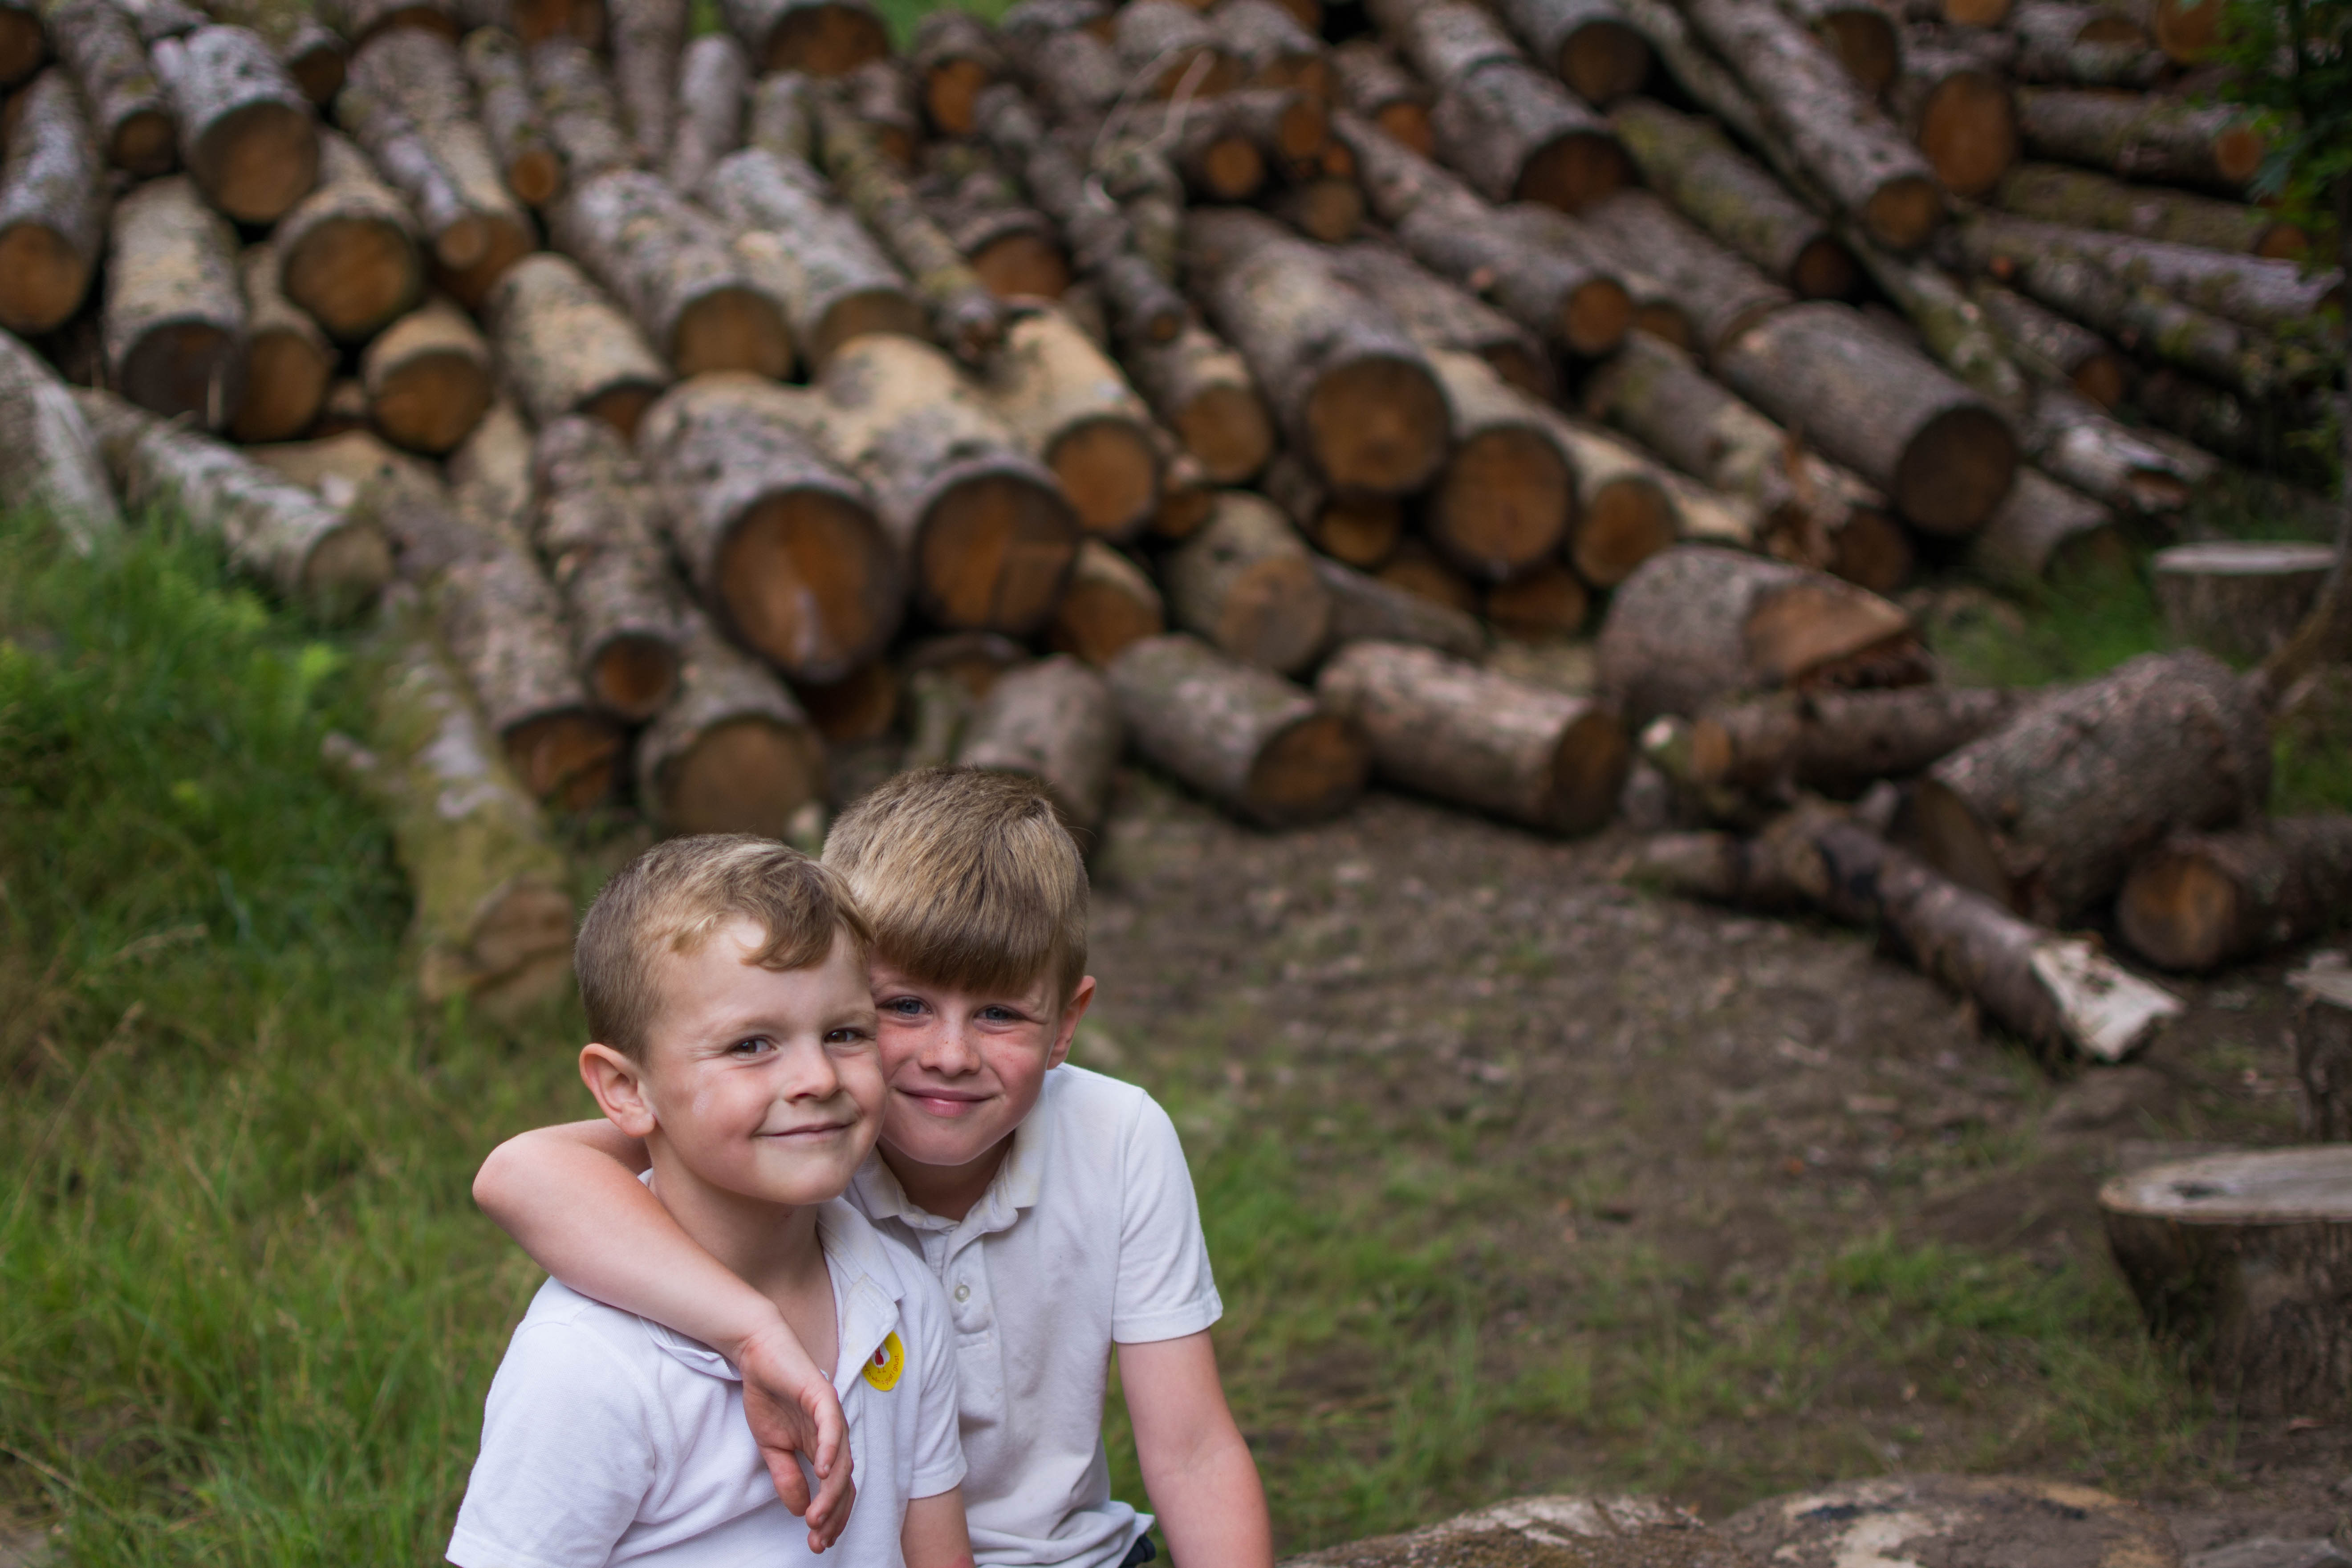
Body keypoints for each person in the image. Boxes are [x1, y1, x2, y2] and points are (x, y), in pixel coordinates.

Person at [474, 769, 1274, 1568]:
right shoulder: (806, 1144)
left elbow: (1193, 1447)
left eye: (998, 1013)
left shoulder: (1107, 1136)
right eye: (902, 1007)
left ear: (1066, 1025)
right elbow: (522, 1173)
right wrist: (752, 1330)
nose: (950, 1056)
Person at [447, 837, 971, 1568]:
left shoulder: (898, 1290)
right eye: (752, 1044)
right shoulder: (587, 1362)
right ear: (627, 1090)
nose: (817, 1076)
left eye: (845, 1033)